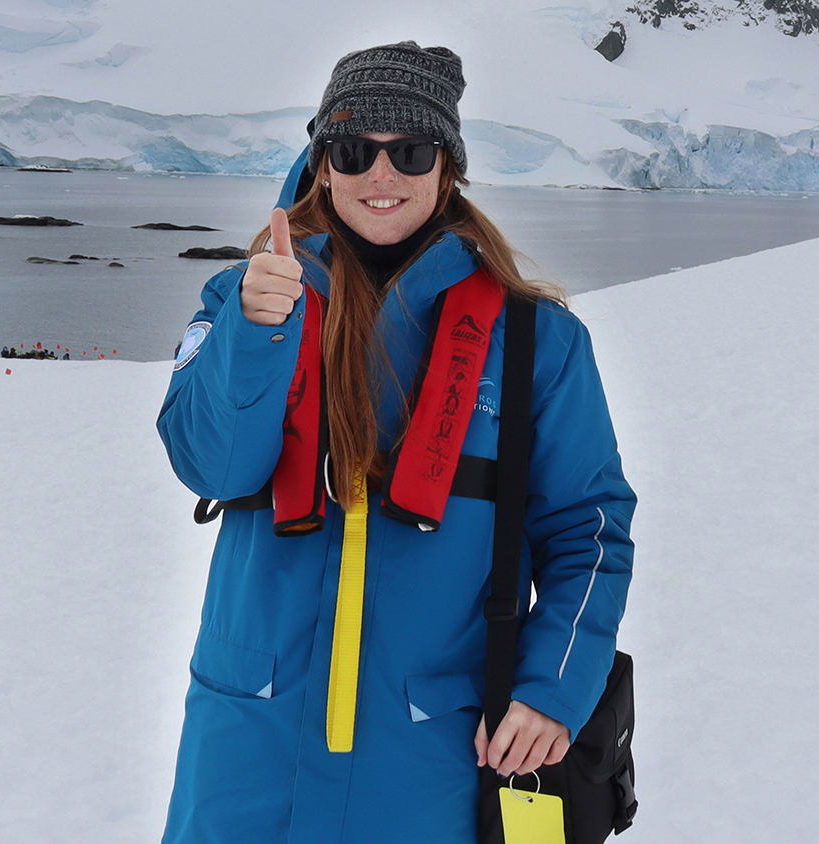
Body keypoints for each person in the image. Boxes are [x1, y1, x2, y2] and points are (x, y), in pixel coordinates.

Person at [155, 42, 635, 843]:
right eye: (353, 149)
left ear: (447, 167)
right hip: (248, 747)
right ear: (323, 164)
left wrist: (555, 687)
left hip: (433, 756)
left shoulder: (538, 341)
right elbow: (209, 463)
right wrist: (254, 332)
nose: (381, 174)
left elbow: (588, 528)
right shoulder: (243, 299)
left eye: (409, 151)